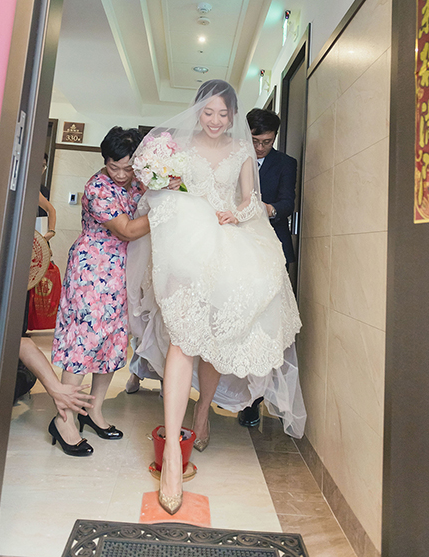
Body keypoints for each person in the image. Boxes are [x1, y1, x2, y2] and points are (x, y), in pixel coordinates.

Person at [128, 79, 303, 515]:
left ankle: (202, 411)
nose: (215, 120)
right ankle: (172, 453)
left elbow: (250, 200)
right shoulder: (178, 148)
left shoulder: (242, 150)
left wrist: (235, 214)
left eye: (223, 114)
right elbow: (163, 192)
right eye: (208, 112)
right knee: (184, 338)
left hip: (227, 244)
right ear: (197, 110)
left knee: (212, 340)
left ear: (233, 116)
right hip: (186, 250)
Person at [49, 127, 150, 456]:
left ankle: (93, 411)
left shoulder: (137, 182)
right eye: (112, 166)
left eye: (127, 167)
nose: (120, 174)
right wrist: (165, 211)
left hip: (121, 272)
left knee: (111, 342)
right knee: (83, 342)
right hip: (92, 270)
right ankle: (64, 419)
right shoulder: (97, 188)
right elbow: (127, 230)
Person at [237, 107, 298, 428]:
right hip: (237, 249)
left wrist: (267, 209)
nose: (260, 147)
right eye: (255, 141)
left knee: (266, 326)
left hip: (272, 249)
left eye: (267, 142)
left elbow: (288, 202)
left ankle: (254, 401)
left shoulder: (286, 164)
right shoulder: (233, 159)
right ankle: (230, 390)